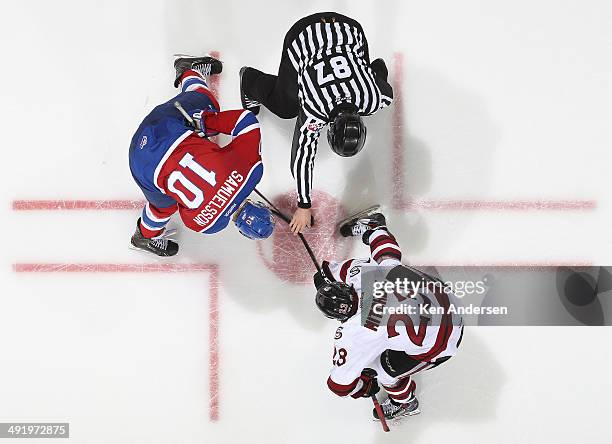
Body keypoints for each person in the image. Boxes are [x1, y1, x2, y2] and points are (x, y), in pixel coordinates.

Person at [239, 12, 393, 234]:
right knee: (285, 106)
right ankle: (249, 81)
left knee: (365, 67)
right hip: (303, 38)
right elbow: (302, 155)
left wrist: (366, 72)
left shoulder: (375, 98)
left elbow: (380, 68)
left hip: (348, 29)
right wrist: (303, 205)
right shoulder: (315, 108)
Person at [313, 210, 464, 420]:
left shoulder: (355, 333)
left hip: (444, 340)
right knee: (389, 263)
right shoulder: (367, 274)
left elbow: (340, 386)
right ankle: (370, 227)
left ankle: (406, 403)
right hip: (447, 301)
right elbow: (383, 251)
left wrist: (364, 387)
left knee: (383, 371)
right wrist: (375, 230)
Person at [128, 55, 275, 256]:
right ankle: (143, 236)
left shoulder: (252, 171)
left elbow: (246, 121)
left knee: (207, 102)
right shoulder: (208, 225)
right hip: (140, 164)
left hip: (161, 127)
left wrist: (206, 121)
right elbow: (183, 201)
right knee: (163, 206)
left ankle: (188, 71)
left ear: (259, 205)